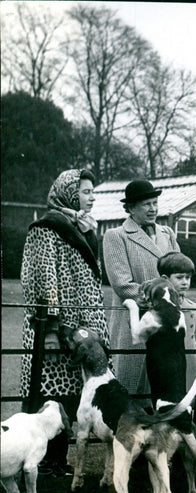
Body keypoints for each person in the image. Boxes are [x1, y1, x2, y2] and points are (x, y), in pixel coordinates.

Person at [19, 169, 110, 477]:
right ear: (70, 194)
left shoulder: (81, 227)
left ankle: (57, 460)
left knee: (69, 396)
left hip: (79, 331)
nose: (92, 197)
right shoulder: (46, 228)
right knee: (48, 395)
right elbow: (44, 279)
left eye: (92, 192)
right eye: (85, 191)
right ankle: (40, 461)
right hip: (55, 329)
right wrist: (50, 330)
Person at [103, 179, 180, 397]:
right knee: (130, 388)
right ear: (131, 208)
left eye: (155, 203)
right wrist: (159, 301)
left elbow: (179, 272)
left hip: (165, 324)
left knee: (162, 387)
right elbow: (122, 284)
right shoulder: (116, 236)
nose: (153, 209)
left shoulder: (168, 233)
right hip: (133, 321)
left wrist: (172, 302)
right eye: (146, 204)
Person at [157, 251, 196, 391]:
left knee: (190, 393)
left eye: (188, 278)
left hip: (190, 358)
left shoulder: (194, 307)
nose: (185, 282)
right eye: (180, 277)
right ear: (165, 279)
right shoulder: (159, 307)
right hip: (169, 359)